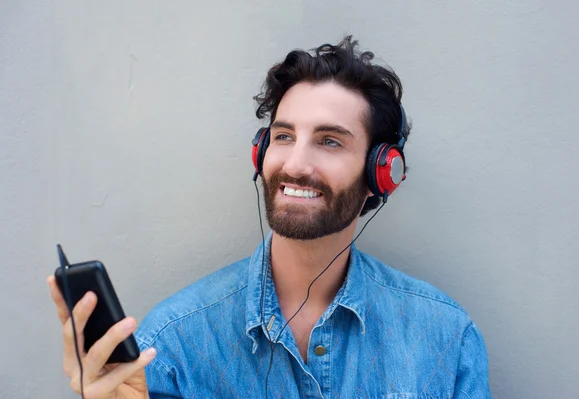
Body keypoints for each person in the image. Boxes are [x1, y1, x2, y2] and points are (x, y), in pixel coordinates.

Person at [48, 35, 491, 399]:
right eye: (283, 136)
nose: (295, 164)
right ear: (261, 152)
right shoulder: (169, 345)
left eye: (330, 141)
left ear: (381, 172)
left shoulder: (446, 340)